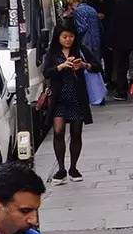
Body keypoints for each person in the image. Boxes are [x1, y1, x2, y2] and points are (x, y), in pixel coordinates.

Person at [42, 22, 101, 184]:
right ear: (58, 37)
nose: (68, 40)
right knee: (58, 131)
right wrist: (60, 66)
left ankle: (73, 167)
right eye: (65, 37)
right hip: (59, 98)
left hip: (77, 96)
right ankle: (61, 168)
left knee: (76, 133)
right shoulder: (52, 53)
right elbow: (46, 72)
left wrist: (83, 65)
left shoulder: (80, 50)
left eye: (71, 37)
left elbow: (97, 66)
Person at [67, 0, 105, 105]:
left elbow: (81, 28)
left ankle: (90, 96)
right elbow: (100, 27)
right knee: (96, 67)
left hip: (85, 42)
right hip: (96, 41)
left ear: (76, 1)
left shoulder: (78, 11)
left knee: (86, 68)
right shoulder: (92, 9)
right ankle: (100, 95)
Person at [88, 0, 115, 79]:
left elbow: (113, 17)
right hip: (95, 33)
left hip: (107, 33)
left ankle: (108, 77)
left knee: (108, 58)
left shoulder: (111, 3)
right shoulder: (91, 2)